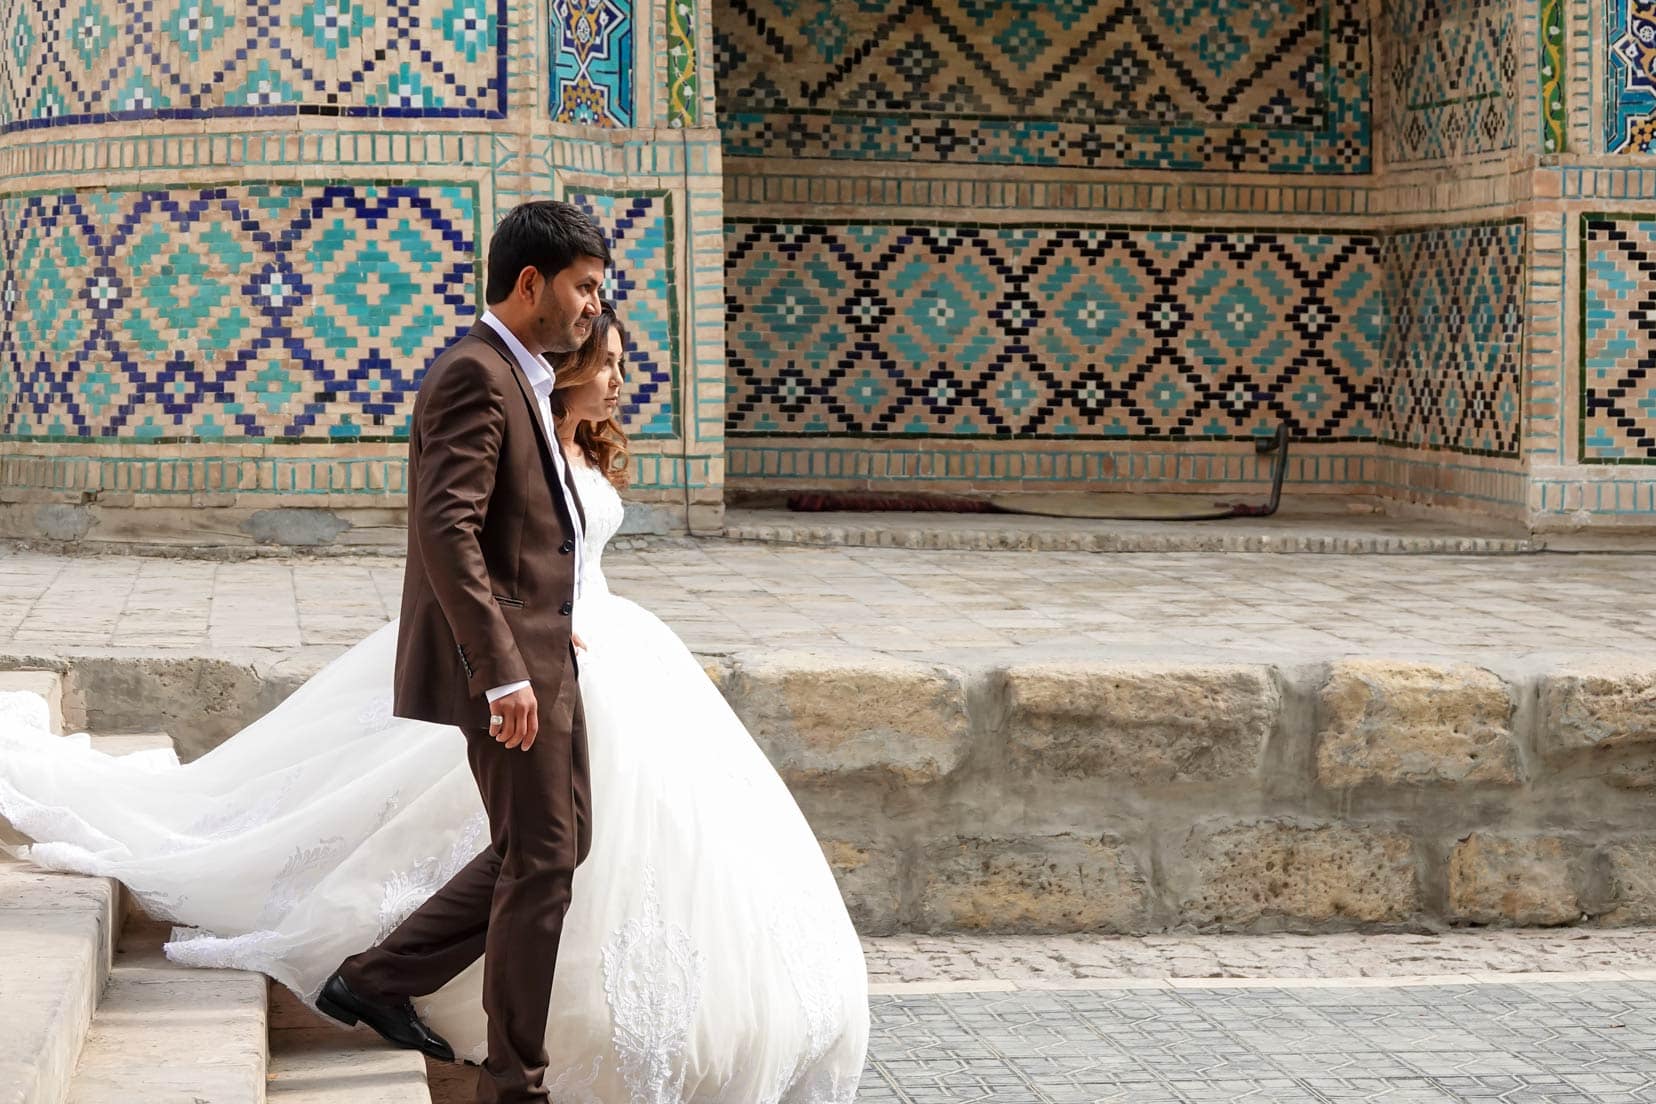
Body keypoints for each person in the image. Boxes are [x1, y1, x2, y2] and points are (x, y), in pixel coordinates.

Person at [0, 297, 870, 1098]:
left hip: (598, 648)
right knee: (543, 848)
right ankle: (449, 1024)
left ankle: (429, 1006)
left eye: (617, 363)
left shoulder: (574, 437)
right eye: (605, 361)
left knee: (568, 846)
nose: (615, 379)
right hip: (527, 658)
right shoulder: (487, 387)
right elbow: (458, 533)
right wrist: (515, 651)